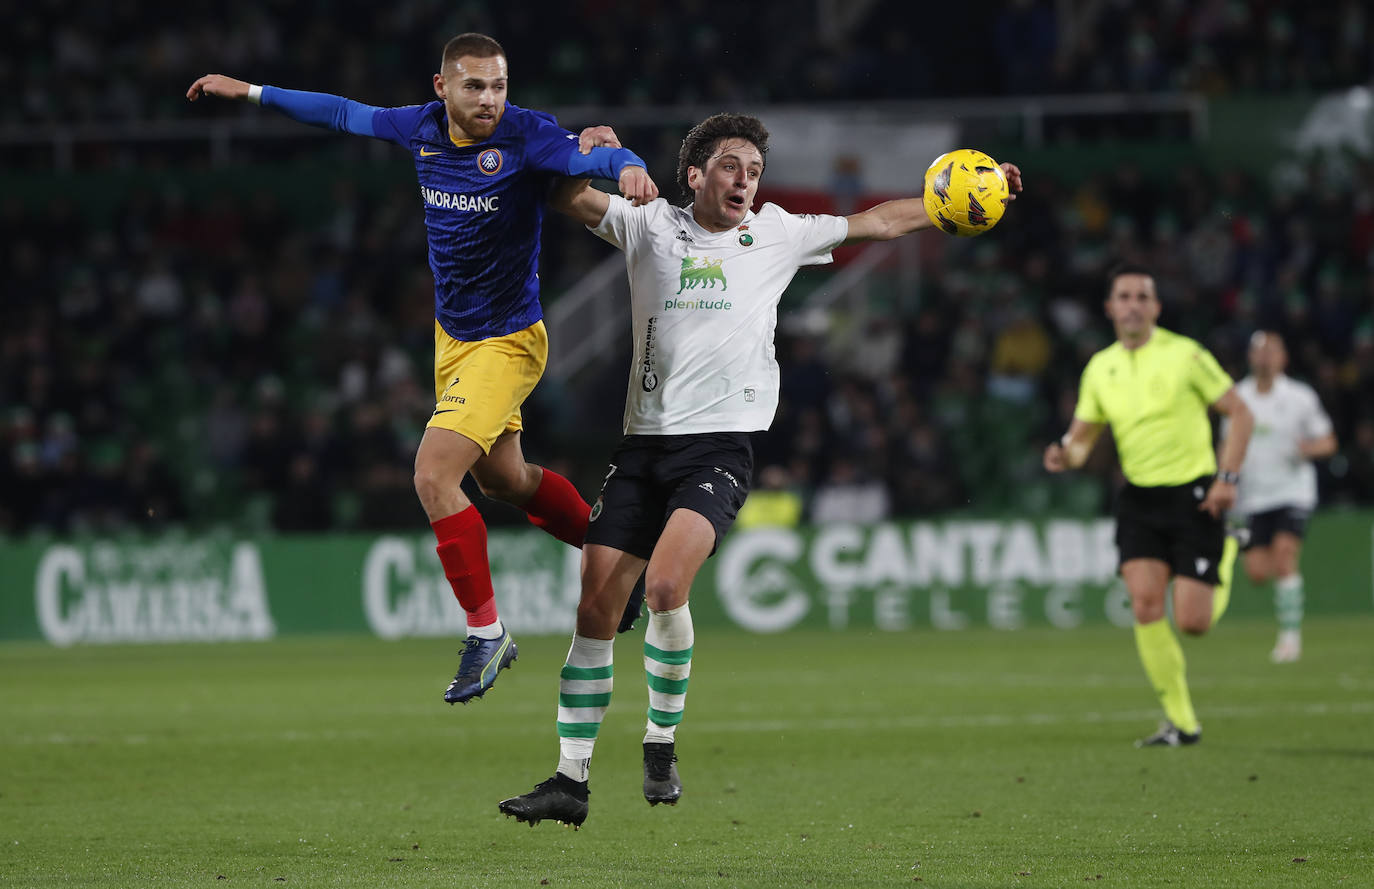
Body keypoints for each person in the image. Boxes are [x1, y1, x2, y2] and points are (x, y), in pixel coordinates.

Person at [497, 113, 1023, 827]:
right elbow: (562, 198)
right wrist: (587, 152)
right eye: (730, 166)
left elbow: (878, 224)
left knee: (664, 583)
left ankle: (659, 743)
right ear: (694, 175)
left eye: (753, 170)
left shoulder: (775, 232)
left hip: (719, 447)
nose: (745, 179)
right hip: (643, 444)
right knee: (592, 610)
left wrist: (971, 190)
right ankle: (570, 778)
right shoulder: (649, 224)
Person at [186, 32, 658, 704]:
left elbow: (597, 153)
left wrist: (631, 165)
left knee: (433, 473)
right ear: (443, 88)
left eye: (497, 85)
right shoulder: (420, 128)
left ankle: (487, 631)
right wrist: (254, 92)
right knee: (507, 480)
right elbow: (342, 113)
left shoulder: (527, 137)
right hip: (454, 341)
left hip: (508, 341)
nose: (489, 99)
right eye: (474, 86)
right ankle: (617, 554)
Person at [1044, 262, 1254, 748]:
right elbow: (1082, 439)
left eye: (1142, 296)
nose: (1133, 304)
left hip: (1194, 494)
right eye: (1124, 296)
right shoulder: (1101, 367)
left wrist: (1227, 478)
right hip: (1139, 498)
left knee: (1194, 624)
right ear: (1110, 308)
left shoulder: (1186, 355)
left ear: (1156, 307)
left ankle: (1225, 550)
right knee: (1143, 605)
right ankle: (1182, 724)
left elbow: (1240, 411)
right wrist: (1064, 454)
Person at [1230, 331, 1337, 663]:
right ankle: (1287, 620)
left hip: (1293, 491)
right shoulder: (1237, 397)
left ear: (1283, 358)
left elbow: (1328, 441)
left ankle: (1290, 639)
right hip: (1253, 495)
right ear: (1250, 357)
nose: (1264, 357)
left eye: (1271, 351)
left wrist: (1308, 449)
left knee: (1285, 555)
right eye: (1259, 351)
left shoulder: (1300, 397)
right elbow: (1227, 444)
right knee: (1258, 572)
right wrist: (1226, 481)